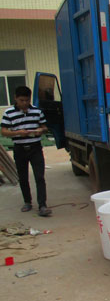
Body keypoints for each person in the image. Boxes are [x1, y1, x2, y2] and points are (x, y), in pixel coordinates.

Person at [1, 86, 52, 217]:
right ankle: (27, 202)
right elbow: (4, 131)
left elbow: (45, 127)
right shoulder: (9, 113)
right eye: (21, 100)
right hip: (19, 149)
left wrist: (41, 130)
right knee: (23, 177)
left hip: (35, 148)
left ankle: (42, 205)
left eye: (27, 100)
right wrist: (18, 133)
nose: (24, 103)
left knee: (39, 177)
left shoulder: (37, 111)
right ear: (15, 98)